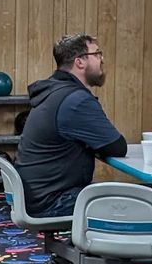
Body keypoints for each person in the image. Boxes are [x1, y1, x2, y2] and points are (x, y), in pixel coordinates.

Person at [17, 33, 129, 218]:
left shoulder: (54, 90)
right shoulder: (76, 100)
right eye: (97, 54)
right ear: (80, 62)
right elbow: (117, 147)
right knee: (139, 202)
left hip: (36, 196)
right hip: (54, 201)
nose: (103, 59)